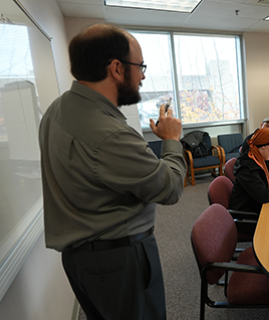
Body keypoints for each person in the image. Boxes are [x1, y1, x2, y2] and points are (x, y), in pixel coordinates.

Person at [38, 23, 186, 320]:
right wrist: (171, 140)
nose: (143, 76)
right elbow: (170, 188)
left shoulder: (55, 111)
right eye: (140, 66)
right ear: (117, 69)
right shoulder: (109, 134)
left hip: (83, 260)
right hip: (119, 261)